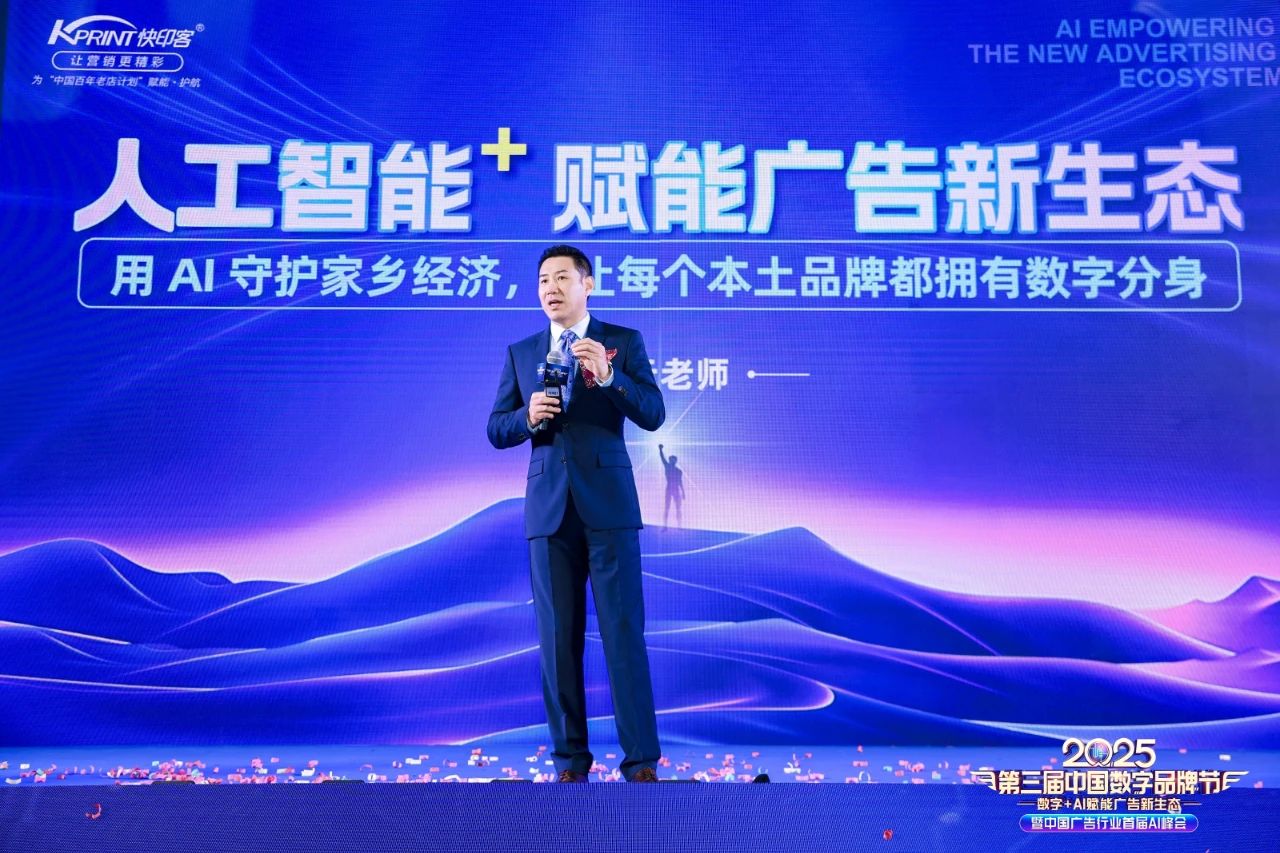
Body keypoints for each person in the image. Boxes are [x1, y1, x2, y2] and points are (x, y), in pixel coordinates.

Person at [487, 244, 665, 783]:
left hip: (609, 507)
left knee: (623, 634)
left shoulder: (621, 342)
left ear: (588, 284)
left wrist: (609, 378)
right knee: (557, 641)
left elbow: (653, 413)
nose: (551, 288)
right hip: (549, 512)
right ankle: (570, 762)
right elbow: (496, 428)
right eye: (543, 280)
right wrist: (525, 418)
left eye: (562, 278)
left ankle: (640, 762)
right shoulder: (522, 352)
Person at [658, 444, 685, 529]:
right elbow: (662, 458)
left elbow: (680, 481)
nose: (671, 461)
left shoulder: (679, 471)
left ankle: (679, 526)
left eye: (673, 460)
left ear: (675, 461)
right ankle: (665, 526)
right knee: (667, 507)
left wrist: (683, 492)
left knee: (678, 508)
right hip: (669, 489)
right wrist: (660, 450)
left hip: (676, 489)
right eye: (670, 460)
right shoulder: (667, 467)